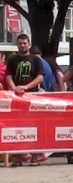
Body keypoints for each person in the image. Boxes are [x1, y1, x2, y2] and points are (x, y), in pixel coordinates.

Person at [5, 34, 45, 166]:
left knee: (34, 126)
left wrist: (26, 87)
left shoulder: (36, 59)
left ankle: (34, 155)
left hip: (32, 97)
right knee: (16, 127)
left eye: (24, 43)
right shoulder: (12, 60)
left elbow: (40, 77)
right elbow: (8, 76)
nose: (22, 45)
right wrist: (14, 88)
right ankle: (18, 156)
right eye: (20, 43)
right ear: (17, 44)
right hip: (16, 98)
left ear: (29, 44)